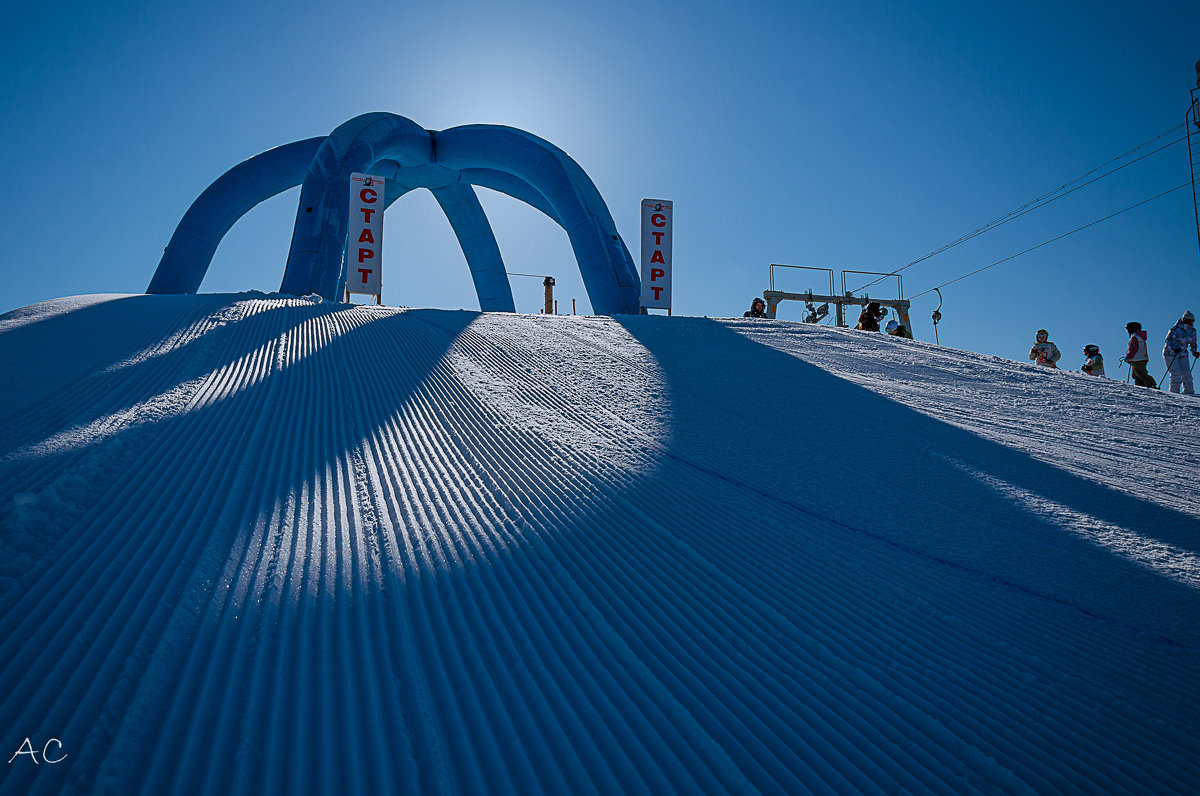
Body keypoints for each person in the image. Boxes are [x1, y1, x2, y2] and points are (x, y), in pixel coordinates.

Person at [1162, 310, 1199, 394]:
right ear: (1183, 320)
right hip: (1170, 353)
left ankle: (1189, 392)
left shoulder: (1192, 331)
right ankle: (1174, 393)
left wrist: (1194, 352)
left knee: (1186, 373)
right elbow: (1169, 340)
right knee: (1176, 373)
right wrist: (1175, 348)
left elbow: (1193, 343)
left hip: (1183, 354)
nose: (1190, 323)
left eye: (1191, 321)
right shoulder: (1175, 329)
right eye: (1188, 321)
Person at [1124, 321, 1157, 388]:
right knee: (1135, 375)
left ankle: (1151, 385)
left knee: (1141, 374)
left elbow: (1133, 349)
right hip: (1140, 358)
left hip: (1138, 359)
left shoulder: (1135, 338)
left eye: (1127, 330)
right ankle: (1140, 386)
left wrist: (1128, 357)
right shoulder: (1139, 337)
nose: (1127, 331)